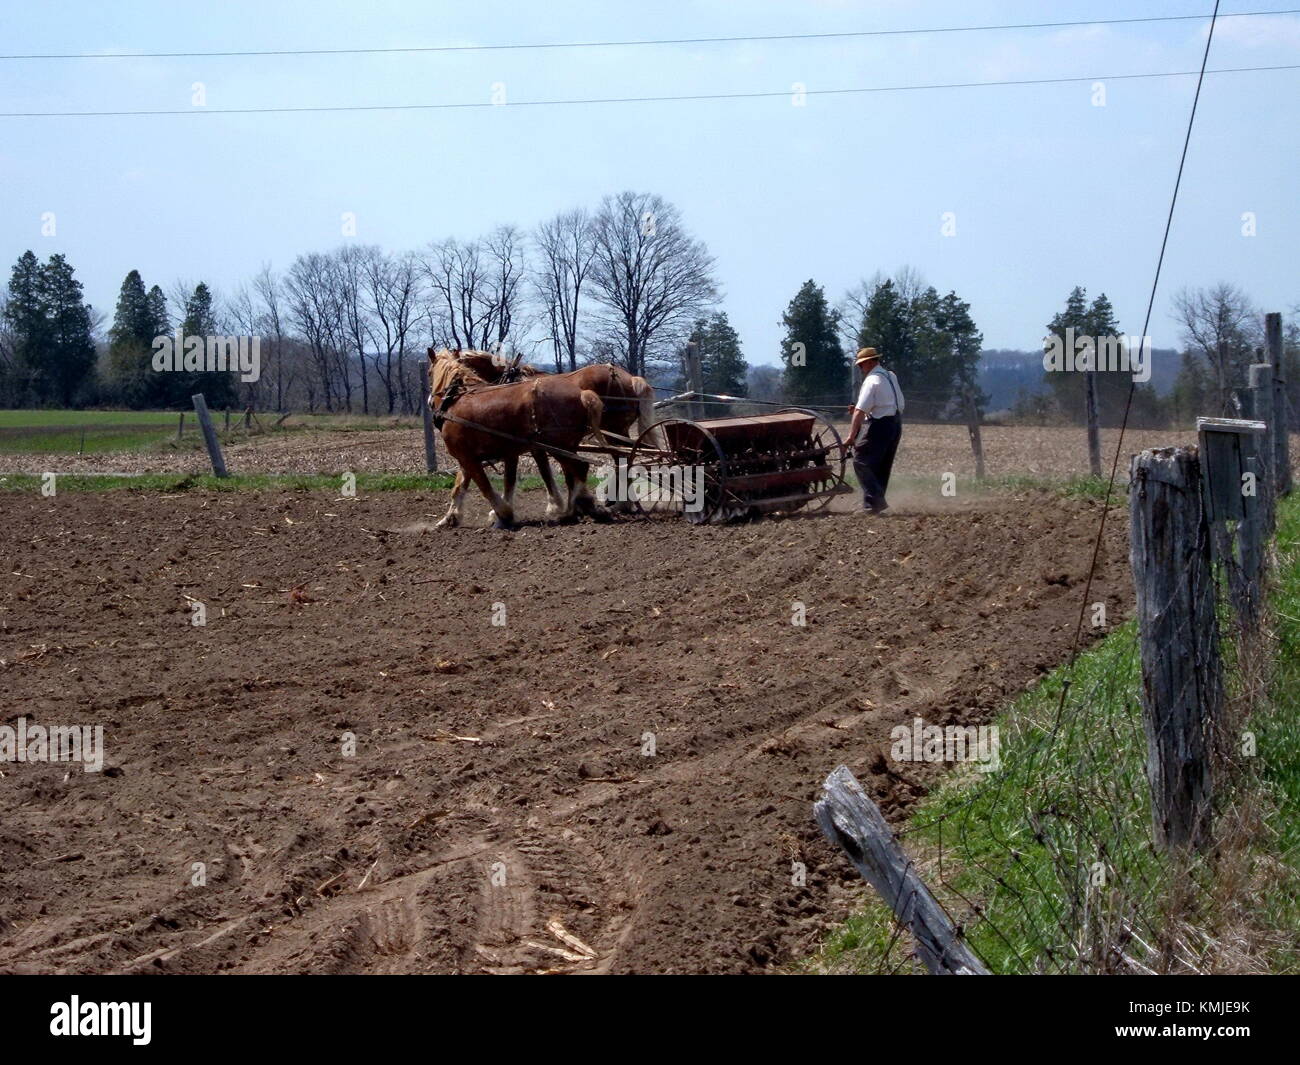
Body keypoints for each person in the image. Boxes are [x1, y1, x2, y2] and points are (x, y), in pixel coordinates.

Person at [844, 347, 904, 514]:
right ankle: (872, 505)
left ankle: (875, 502)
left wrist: (851, 436)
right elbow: (884, 405)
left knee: (860, 461)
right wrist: (861, 410)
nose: (860, 368)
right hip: (896, 424)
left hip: (880, 426)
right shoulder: (890, 376)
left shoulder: (872, 381)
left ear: (870, 362)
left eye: (861, 365)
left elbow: (859, 412)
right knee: (881, 466)